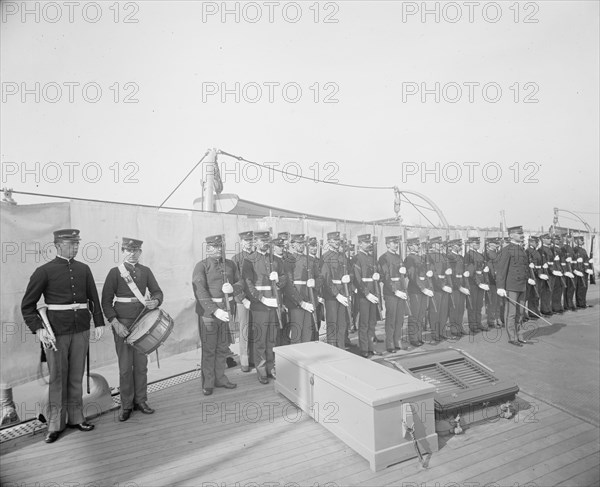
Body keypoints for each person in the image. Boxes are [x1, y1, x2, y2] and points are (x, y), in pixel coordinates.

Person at [21, 229, 104, 443]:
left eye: (77, 243)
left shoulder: (84, 269)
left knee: (76, 376)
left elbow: (93, 298)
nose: (76, 247)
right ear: (58, 245)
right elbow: (27, 306)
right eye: (71, 243)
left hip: (81, 329)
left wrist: (99, 322)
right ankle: (55, 424)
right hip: (55, 333)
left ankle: (77, 418)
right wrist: (39, 330)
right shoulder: (44, 271)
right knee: (58, 379)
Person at [101, 237, 163, 420]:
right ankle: (126, 405)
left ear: (140, 252)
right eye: (129, 250)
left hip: (143, 322)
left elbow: (157, 291)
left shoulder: (146, 271)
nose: (133, 253)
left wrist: (156, 301)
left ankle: (141, 400)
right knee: (125, 367)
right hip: (122, 323)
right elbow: (105, 301)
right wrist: (115, 323)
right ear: (122, 251)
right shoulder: (115, 273)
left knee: (141, 365)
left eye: (136, 250)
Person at [192, 235, 243, 395]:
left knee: (222, 347)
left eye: (220, 246)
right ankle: (208, 382)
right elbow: (199, 291)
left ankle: (220, 378)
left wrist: (233, 288)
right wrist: (215, 310)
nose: (219, 249)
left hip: (226, 310)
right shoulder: (201, 266)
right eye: (214, 246)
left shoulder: (230, 264)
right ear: (207, 249)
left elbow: (241, 283)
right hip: (209, 313)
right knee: (209, 349)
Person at [242, 231, 288, 384]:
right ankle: (261, 370)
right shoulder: (249, 260)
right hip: (259, 305)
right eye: (261, 240)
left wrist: (279, 279)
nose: (265, 243)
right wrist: (261, 298)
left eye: (267, 240)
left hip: (274, 304)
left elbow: (284, 277)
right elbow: (247, 283)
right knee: (261, 339)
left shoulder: (275, 260)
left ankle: (271, 367)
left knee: (272, 338)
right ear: (255, 242)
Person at [495, 225, 530, 347]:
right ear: (511, 236)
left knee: (520, 312)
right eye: (518, 233)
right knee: (511, 313)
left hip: (522, 285)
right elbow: (501, 269)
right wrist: (500, 287)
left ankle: (519, 335)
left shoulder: (521, 249)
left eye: (522, 233)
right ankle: (512, 337)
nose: (521, 235)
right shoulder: (507, 250)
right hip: (512, 286)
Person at [282, 234, 319, 344]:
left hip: (309, 298)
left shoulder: (310, 260)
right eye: (298, 243)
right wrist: (301, 302)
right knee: (297, 332)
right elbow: (289, 285)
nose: (301, 246)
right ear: (292, 245)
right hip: (296, 302)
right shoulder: (289, 260)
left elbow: (319, 277)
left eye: (303, 243)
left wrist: (315, 282)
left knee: (307, 332)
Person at [320, 231, 351, 349]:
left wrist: (349, 278)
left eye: (338, 240)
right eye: (334, 240)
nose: (337, 242)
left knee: (342, 324)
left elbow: (350, 271)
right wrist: (337, 294)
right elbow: (326, 278)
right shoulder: (325, 257)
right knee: (332, 323)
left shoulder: (343, 256)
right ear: (329, 242)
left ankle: (341, 347)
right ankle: (332, 348)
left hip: (344, 293)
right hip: (332, 296)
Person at [379, 235, 410, 352]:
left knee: (399, 318)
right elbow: (385, 277)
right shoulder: (383, 258)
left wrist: (404, 272)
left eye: (396, 243)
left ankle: (398, 340)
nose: (396, 245)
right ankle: (390, 343)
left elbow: (402, 276)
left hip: (401, 291)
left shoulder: (398, 257)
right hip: (391, 292)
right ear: (387, 244)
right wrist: (395, 290)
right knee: (391, 318)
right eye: (393, 243)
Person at [353, 234, 381, 358]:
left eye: (369, 242)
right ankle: (364, 348)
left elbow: (377, 272)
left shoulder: (371, 257)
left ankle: (371, 347)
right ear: (359, 244)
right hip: (363, 294)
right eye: (365, 242)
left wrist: (378, 275)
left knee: (372, 322)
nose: (368, 244)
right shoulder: (356, 258)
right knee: (363, 323)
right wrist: (366, 293)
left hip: (373, 293)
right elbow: (357, 279)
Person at [231, 231, 254, 372]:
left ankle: (254, 359)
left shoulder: (257, 257)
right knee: (244, 329)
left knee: (256, 328)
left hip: (257, 299)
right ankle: (245, 361)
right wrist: (243, 299)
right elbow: (235, 282)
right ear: (241, 242)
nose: (249, 243)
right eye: (246, 241)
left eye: (251, 240)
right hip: (242, 299)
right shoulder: (236, 259)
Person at [403, 237, 428, 344]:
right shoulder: (409, 259)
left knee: (421, 314)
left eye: (418, 245)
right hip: (415, 290)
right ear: (410, 246)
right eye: (415, 245)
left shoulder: (420, 257)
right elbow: (412, 275)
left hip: (423, 289)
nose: (418, 246)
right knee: (414, 315)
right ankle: (413, 338)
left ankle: (419, 336)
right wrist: (422, 287)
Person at [464, 236, 488, 332]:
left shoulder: (480, 255)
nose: (478, 245)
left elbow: (481, 267)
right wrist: (478, 283)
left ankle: (478, 323)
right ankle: (473, 326)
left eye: (478, 243)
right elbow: (471, 271)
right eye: (475, 243)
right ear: (470, 244)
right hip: (473, 283)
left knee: (479, 305)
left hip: (481, 281)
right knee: (472, 305)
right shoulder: (468, 255)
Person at [447, 239, 468, 337]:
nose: (460, 247)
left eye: (460, 245)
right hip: (455, 285)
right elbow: (452, 274)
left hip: (462, 284)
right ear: (452, 246)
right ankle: (454, 328)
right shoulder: (450, 257)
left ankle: (460, 326)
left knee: (461, 308)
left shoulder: (461, 257)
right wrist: (458, 287)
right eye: (458, 245)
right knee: (454, 308)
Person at [524, 235, 542, 320]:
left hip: (537, 275)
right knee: (530, 295)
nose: (537, 244)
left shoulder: (536, 251)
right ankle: (530, 312)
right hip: (531, 276)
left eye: (537, 242)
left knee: (536, 295)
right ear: (531, 242)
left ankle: (535, 311)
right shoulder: (527, 251)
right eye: (536, 242)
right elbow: (525, 264)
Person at [573, 235, 593, 308]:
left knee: (584, 287)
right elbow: (573, 261)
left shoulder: (583, 250)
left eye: (582, 240)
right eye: (581, 240)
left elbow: (585, 260)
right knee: (580, 288)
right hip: (579, 271)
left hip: (584, 271)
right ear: (576, 241)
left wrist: (589, 262)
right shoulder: (574, 249)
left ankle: (583, 302)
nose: (582, 241)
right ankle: (580, 303)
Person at [538, 234, 555, 316]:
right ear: (543, 239)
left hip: (551, 272)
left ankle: (548, 308)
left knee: (549, 291)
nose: (549, 240)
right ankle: (544, 309)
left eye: (550, 238)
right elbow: (540, 261)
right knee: (545, 292)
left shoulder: (549, 249)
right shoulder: (541, 250)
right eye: (547, 239)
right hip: (545, 272)